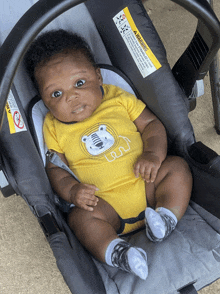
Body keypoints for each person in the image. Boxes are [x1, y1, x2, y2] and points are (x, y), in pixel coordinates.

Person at [24, 29, 192, 280]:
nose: (71, 96)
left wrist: (153, 155)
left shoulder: (117, 98)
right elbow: (55, 167)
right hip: (103, 206)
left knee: (177, 168)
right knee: (79, 219)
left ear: (98, 76)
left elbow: (151, 125)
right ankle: (118, 252)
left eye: (79, 83)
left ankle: (166, 218)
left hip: (148, 184)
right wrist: (72, 191)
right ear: (46, 103)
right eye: (56, 94)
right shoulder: (53, 126)